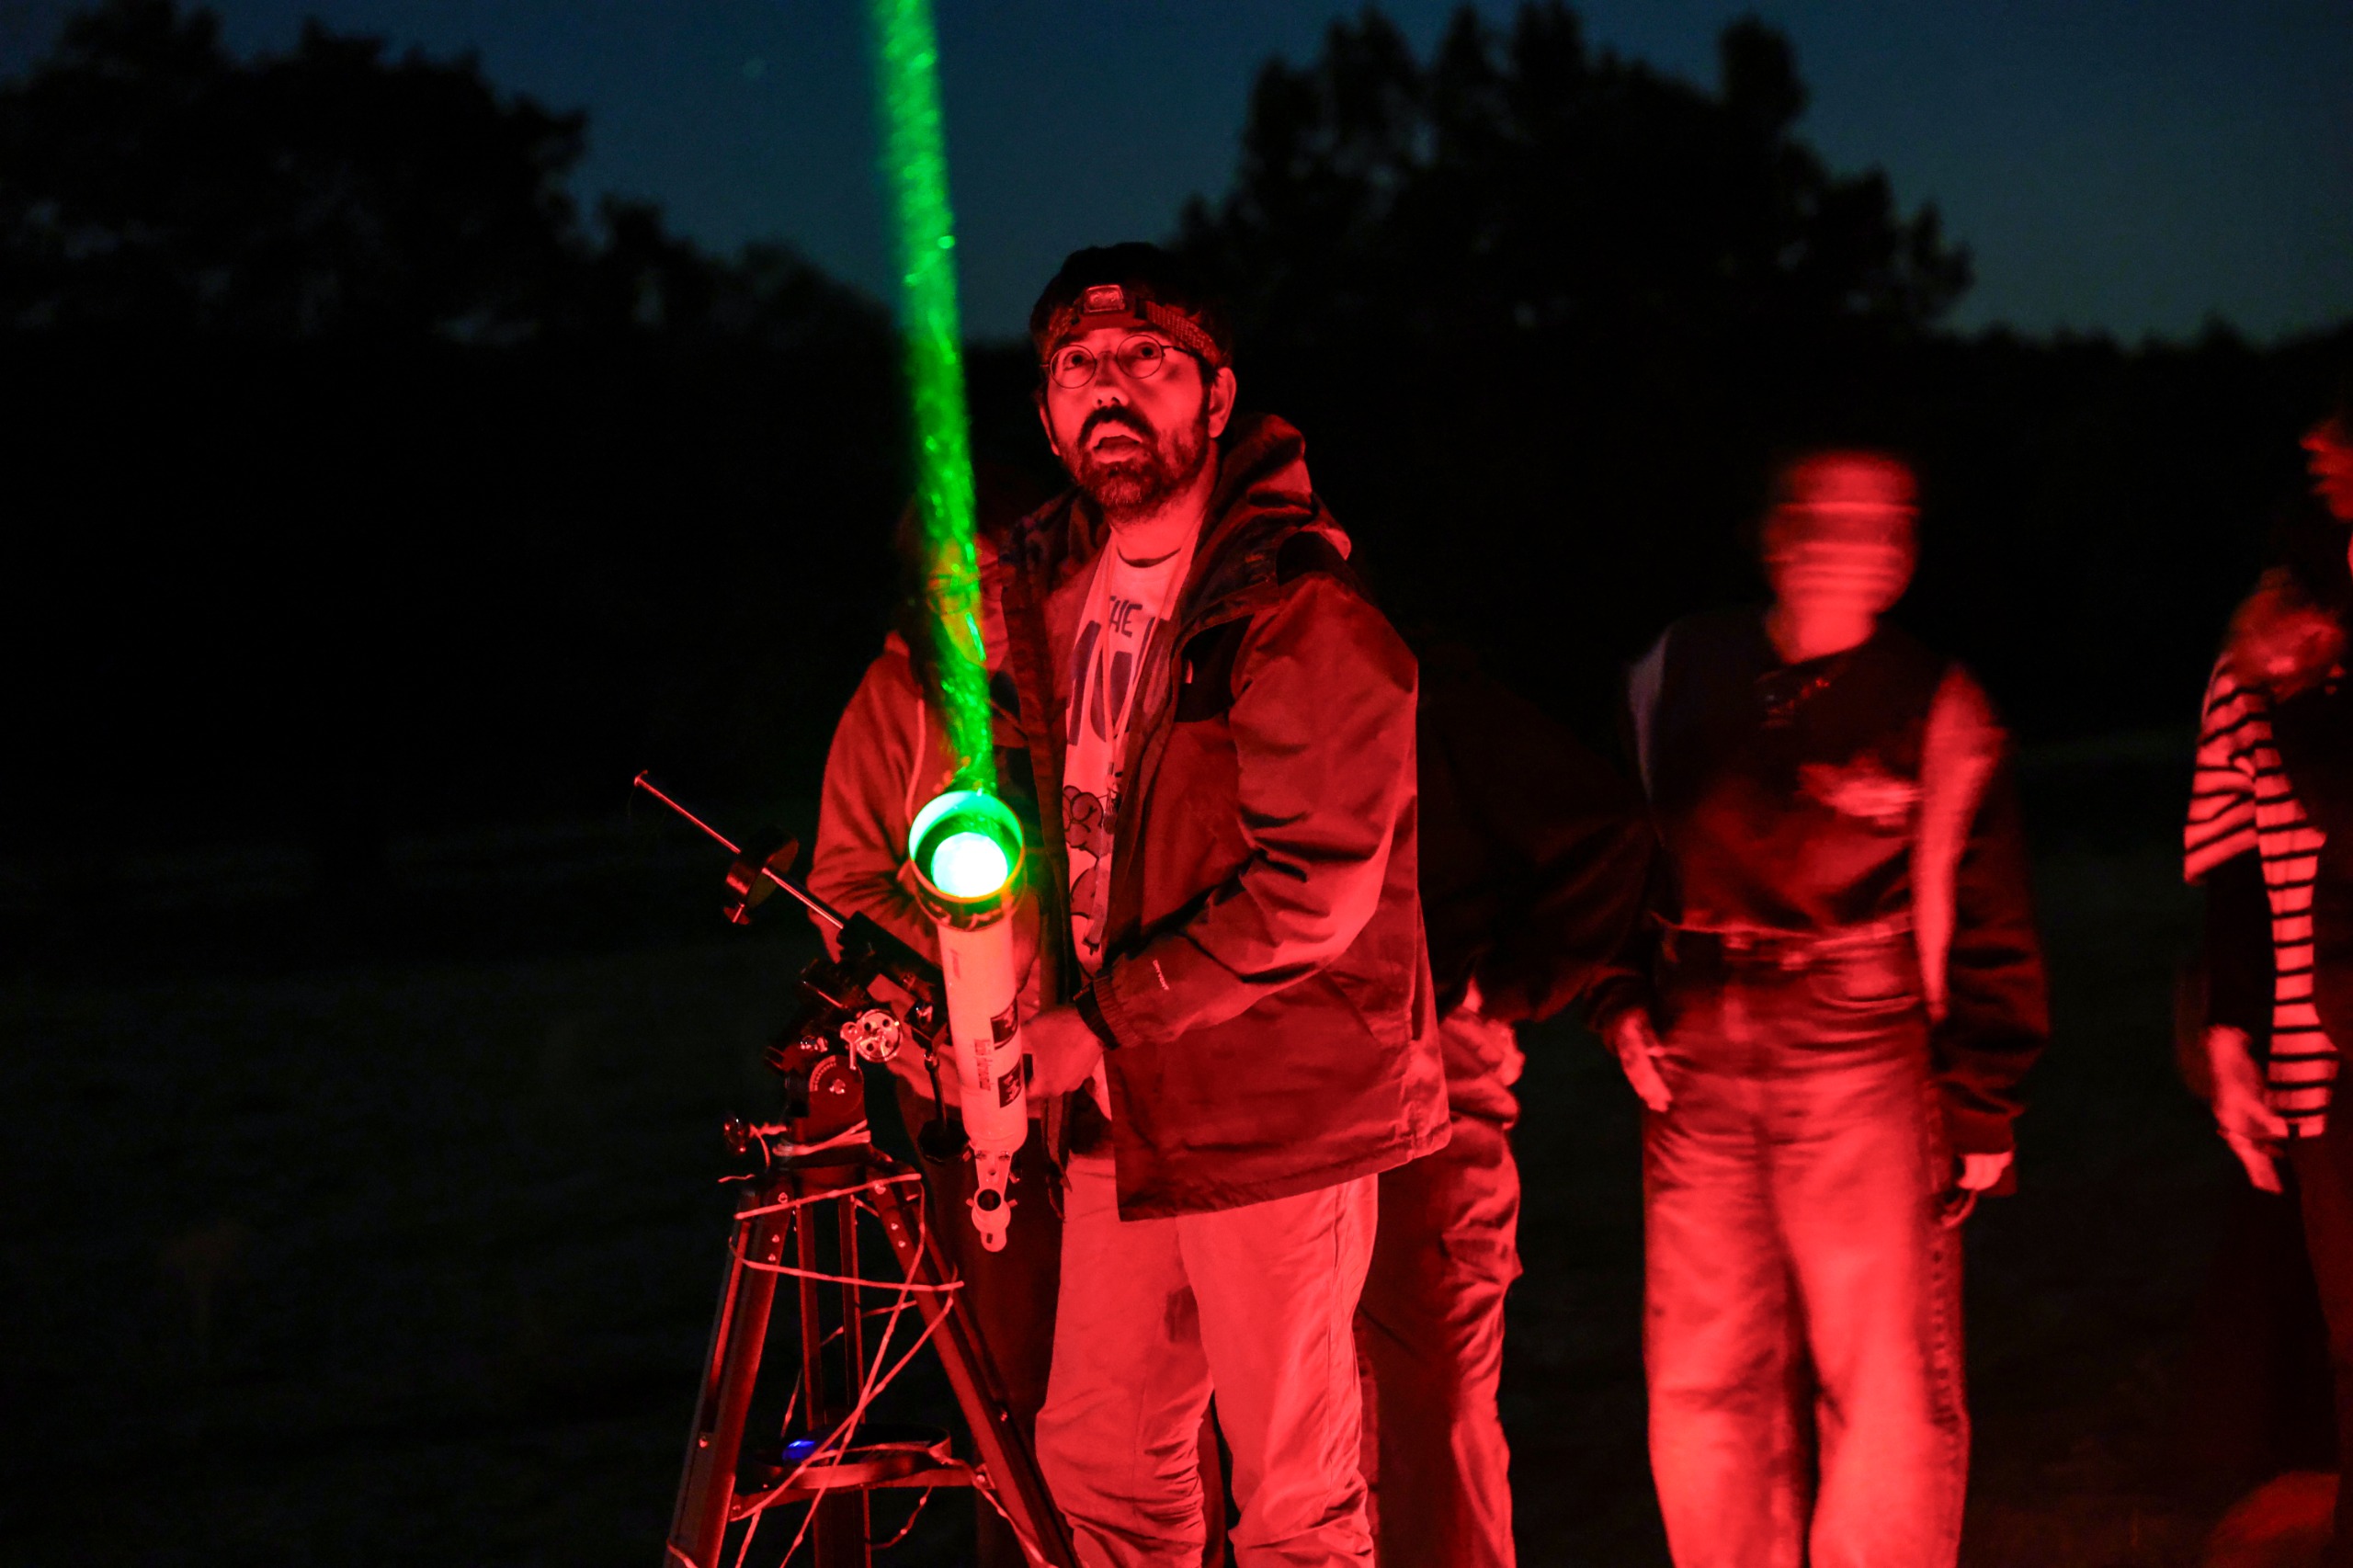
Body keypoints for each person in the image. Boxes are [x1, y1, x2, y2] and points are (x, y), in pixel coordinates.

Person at [1001, 242, 1447, 1568]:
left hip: (1275, 1112)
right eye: (1078, 366)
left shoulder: (1295, 602)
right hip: (1123, 1109)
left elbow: (1316, 885)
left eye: (1147, 359)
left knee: (1298, 1504)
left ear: (1216, 393)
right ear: (1045, 411)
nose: (1110, 389)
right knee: (1100, 1460)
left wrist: (1106, 1017)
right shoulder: (1040, 598)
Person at [1590, 451, 2049, 1568]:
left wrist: (1983, 1101)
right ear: (1772, 533)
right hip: (1699, 1052)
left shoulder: (1935, 703)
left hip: (1863, 1054)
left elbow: (1989, 907)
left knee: (1885, 1380)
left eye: (1876, 521)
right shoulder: (1676, 672)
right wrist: (1613, 993)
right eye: (1823, 515)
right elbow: (1613, 854)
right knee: (1703, 1380)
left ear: (1902, 551)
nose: (1848, 538)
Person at [1356, 640, 1653, 1568]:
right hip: (1288, 1066)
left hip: (1431, 1060)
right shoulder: (1217, 689)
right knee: (1313, 1401)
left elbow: (1601, 828)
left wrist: (1510, 983)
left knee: (1432, 1383)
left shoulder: (1425, 694)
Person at [2187, 386, 2353, 1562]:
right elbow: (2236, 856)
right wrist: (2235, 1027)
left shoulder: (2298, 666)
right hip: (2318, 1030)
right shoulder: (2270, 637)